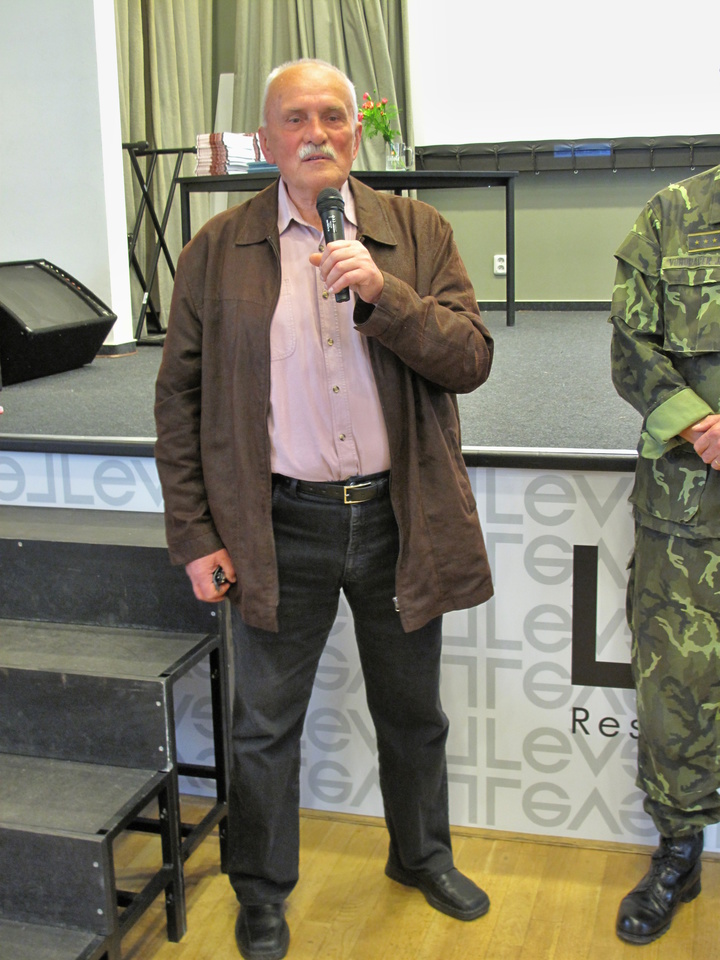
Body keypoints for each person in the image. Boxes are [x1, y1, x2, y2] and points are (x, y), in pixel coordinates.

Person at [154, 58, 495, 960]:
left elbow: (470, 359)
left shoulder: (415, 231)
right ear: (266, 140)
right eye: (297, 118)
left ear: (356, 131)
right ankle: (262, 893)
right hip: (275, 524)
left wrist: (384, 295)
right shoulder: (216, 247)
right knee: (263, 726)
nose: (317, 133)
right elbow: (178, 400)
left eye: (334, 117)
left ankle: (421, 857)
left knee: (413, 713)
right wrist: (194, 534)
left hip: (396, 518)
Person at [610, 164, 720, 945]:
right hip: (688, 508)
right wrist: (701, 425)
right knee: (674, 689)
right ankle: (680, 852)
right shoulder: (673, 214)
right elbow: (631, 346)